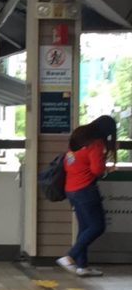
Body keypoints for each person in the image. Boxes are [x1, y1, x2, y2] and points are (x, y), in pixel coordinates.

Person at [57, 115, 118, 277]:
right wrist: (107, 169)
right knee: (97, 226)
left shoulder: (78, 138)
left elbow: (70, 163)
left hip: (71, 189)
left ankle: (81, 266)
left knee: (85, 227)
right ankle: (70, 257)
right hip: (85, 189)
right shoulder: (96, 144)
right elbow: (96, 169)